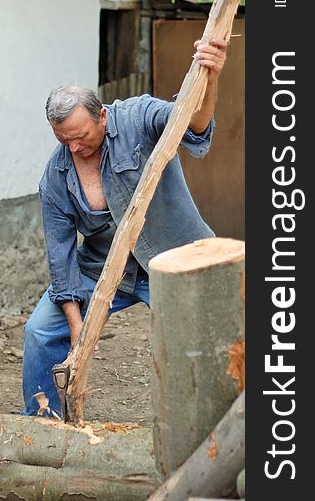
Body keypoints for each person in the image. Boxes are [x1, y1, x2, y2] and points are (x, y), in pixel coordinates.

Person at [21, 38, 228, 416]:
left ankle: (214, 428)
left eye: (80, 137)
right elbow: (60, 258)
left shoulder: (138, 117)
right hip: (100, 269)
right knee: (39, 331)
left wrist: (209, 76)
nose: (74, 148)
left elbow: (193, 125)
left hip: (175, 258)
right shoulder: (56, 176)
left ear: (101, 117)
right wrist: (76, 324)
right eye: (63, 140)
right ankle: (42, 424)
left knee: (208, 338)